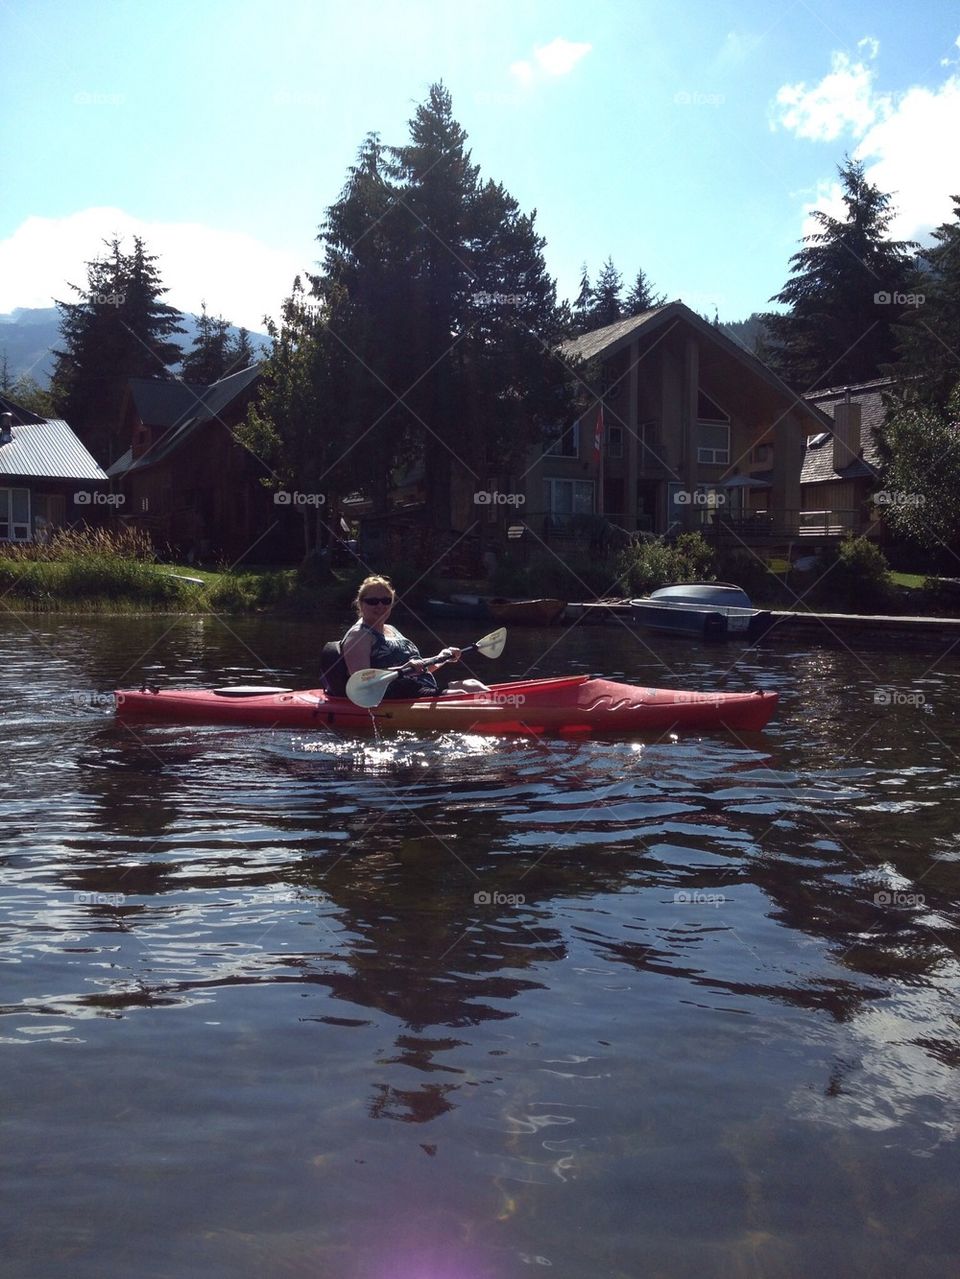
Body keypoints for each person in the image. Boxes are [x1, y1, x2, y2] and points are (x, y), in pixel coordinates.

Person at [341, 576, 462, 700]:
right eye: (372, 601)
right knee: (460, 694)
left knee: (471, 685)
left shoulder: (392, 629)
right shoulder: (359, 635)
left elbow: (418, 669)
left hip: (423, 689)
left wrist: (440, 658)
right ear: (360, 603)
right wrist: (403, 669)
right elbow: (360, 679)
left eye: (386, 601)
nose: (380, 605)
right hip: (398, 695)